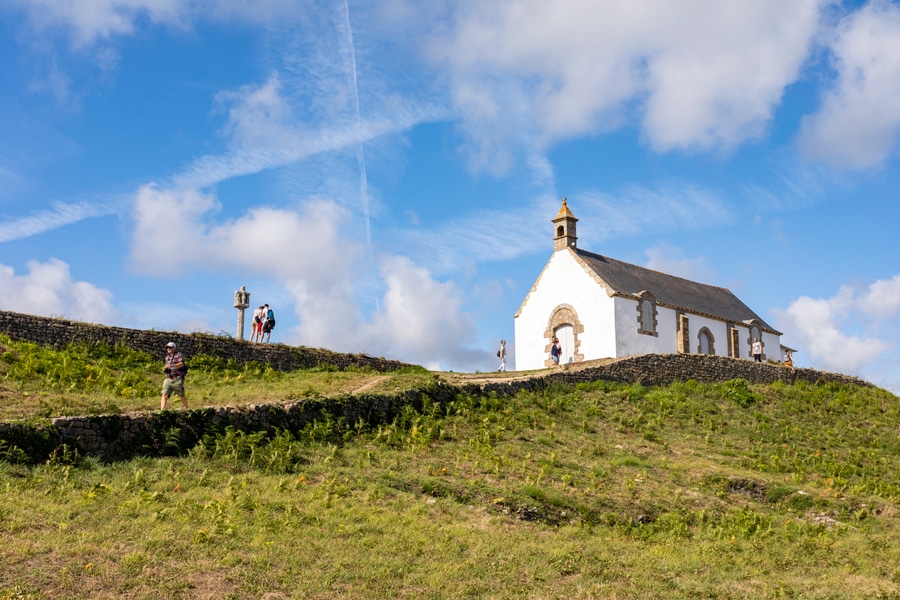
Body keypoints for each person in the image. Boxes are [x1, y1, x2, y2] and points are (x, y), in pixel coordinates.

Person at [161, 342, 188, 410]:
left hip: (177, 378)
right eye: (167, 348)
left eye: (170, 347)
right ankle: (162, 410)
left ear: (174, 348)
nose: (168, 349)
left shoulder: (178, 354)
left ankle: (187, 408)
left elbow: (181, 364)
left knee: (181, 395)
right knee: (164, 394)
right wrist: (165, 369)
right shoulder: (167, 357)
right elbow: (167, 366)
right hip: (168, 378)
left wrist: (172, 365)